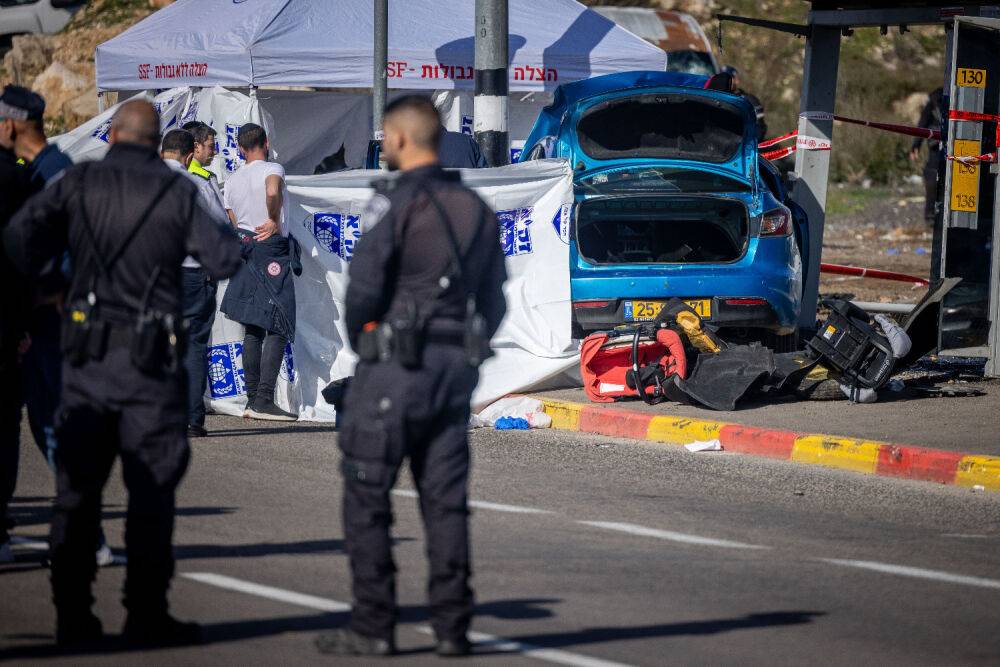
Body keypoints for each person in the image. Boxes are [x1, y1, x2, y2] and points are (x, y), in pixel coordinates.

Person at [3, 99, 241, 647]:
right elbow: (226, 259)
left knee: (77, 491)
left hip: (85, 358)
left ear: (112, 136)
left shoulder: (80, 181)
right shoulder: (176, 190)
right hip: (149, 363)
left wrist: (49, 285)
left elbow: (17, 238)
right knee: (151, 491)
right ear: (158, 142)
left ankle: (73, 617)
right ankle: (145, 613)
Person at [314, 96, 507, 657]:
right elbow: (493, 299)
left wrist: (367, 342)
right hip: (453, 372)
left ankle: (373, 626)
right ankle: (453, 628)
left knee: (368, 494)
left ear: (397, 139)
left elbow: (365, 287)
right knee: (445, 503)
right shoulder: (475, 206)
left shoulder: (392, 206)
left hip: (395, 371)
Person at [220, 123, 299, 422]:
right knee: (279, 322)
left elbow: (233, 220)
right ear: (265, 142)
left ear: (240, 148)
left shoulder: (232, 179)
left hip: (246, 248)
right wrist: (273, 218)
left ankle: (253, 398)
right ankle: (264, 398)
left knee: (252, 326)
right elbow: (272, 188)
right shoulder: (273, 167)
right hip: (271, 249)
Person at [161, 129, 231, 437]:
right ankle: (190, 418)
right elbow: (221, 227)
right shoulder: (196, 185)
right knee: (193, 345)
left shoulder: (138, 182)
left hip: (149, 275)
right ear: (190, 154)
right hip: (191, 274)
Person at [910, 87, 944, 227]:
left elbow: (922, 125)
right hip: (946, 146)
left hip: (935, 146)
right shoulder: (945, 99)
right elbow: (923, 125)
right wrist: (915, 146)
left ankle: (931, 216)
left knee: (932, 180)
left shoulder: (933, 101)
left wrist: (915, 146)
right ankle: (936, 215)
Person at [181, 120, 222, 196]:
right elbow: (217, 207)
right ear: (196, 146)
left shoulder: (172, 174)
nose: (215, 152)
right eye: (211, 146)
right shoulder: (205, 178)